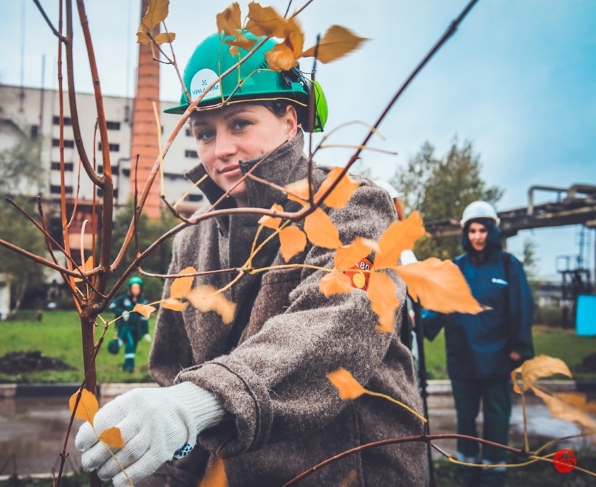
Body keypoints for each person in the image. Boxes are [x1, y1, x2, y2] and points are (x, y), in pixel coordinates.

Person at [76, 32, 425, 486]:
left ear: (290, 121)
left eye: (240, 123)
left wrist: (199, 402)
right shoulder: (192, 237)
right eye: (204, 132)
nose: (220, 149)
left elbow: (338, 318)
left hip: (347, 472)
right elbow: (171, 371)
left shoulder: (354, 208)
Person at [423, 201, 534, 487]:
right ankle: (467, 473)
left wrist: (519, 347)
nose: (477, 236)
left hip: (499, 359)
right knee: (466, 421)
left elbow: (522, 307)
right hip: (463, 359)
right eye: (472, 230)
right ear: (466, 233)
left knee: (497, 418)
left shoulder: (509, 266)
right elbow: (437, 307)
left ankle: (493, 476)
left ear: (492, 231)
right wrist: (420, 318)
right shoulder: (455, 268)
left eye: (482, 230)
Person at [108, 276, 151, 373]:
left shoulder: (143, 301)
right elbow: (112, 305)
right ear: (130, 288)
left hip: (137, 328)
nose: (135, 290)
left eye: (137, 288)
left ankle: (126, 365)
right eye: (133, 288)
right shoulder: (124, 299)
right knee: (130, 343)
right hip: (125, 327)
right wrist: (122, 312)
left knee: (133, 346)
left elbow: (144, 317)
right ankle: (129, 367)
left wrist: (146, 332)